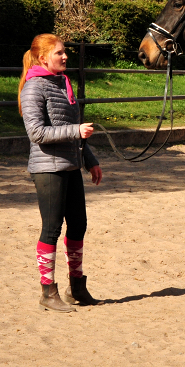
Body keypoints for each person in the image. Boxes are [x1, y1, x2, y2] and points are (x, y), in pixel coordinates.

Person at [18, 34, 103, 312]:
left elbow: (75, 130)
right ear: (43, 58)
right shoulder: (33, 88)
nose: (64, 56)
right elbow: (36, 132)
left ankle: (76, 287)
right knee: (52, 229)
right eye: (59, 53)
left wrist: (90, 160)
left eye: (64, 52)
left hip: (70, 165)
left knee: (78, 225)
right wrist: (75, 131)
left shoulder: (63, 83)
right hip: (47, 168)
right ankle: (47, 291)